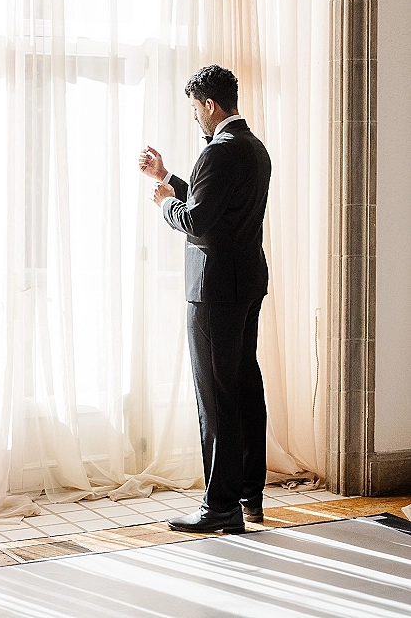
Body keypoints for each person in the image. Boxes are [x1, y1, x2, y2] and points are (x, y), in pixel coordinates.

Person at [139, 64, 271, 533]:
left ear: (209, 105)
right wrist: (170, 176)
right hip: (247, 283)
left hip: (214, 291)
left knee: (216, 396)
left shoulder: (218, 152)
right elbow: (219, 205)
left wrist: (164, 204)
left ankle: (220, 507)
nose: (196, 117)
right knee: (245, 387)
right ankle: (249, 495)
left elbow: (199, 222)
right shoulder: (255, 149)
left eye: (196, 109)